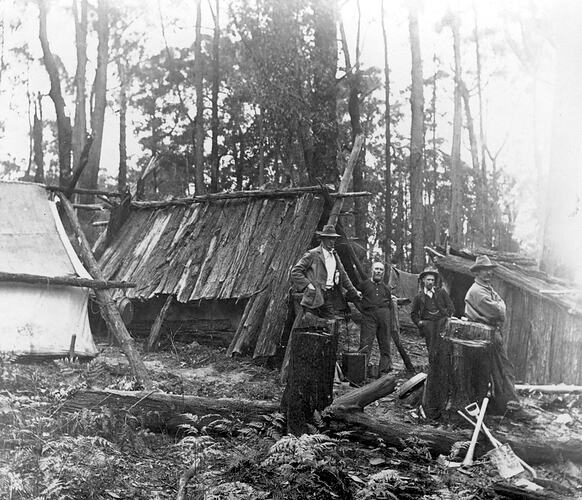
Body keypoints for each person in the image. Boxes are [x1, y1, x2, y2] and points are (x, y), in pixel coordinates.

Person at [464, 255, 527, 417]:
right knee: (494, 372)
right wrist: (500, 306)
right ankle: (508, 408)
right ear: (477, 272)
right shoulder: (476, 291)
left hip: (491, 334)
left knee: (502, 371)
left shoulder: (487, 288)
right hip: (483, 336)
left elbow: (501, 307)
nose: (488, 273)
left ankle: (504, 406)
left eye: (490, 270)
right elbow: (498, 310)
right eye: (484, 270)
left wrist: (500, 306)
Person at [290, 224, 361, 319]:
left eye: (334, 239)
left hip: (330, 296)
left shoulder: (335, 255)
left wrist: (354, 291)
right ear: (322, 239)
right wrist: (308, 285)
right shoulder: (313, 254)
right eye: (329, 239)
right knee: (310, 324)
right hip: (314, 296)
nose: (332, 242)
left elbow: (344, 276)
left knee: (330, 325)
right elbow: (295, 271)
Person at [357, 262, 393, 376]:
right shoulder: (364, 285)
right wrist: (362, 309)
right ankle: (360, 374)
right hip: (369, 316)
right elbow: (353, 296)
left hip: (384, 316)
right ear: (372, 270)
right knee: (365, 344)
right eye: (376, 269)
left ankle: (384, 372)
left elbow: (390, 303)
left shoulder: (386, 288)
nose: (379, 271)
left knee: (385, 344)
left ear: (383, 272)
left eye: (381, 270)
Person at [410, 266, 455, 356]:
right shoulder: (419, 297)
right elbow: (413, 314)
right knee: (431, 348)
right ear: (423, 280)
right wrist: (420, 323)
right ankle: (433, 368)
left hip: (441, 322)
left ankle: (443, 368)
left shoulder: (441, 292)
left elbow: (451, 307)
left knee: (443, 347)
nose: (430, 282)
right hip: (428, 324)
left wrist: (447, 318)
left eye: (432, 280)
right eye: (428, 280)